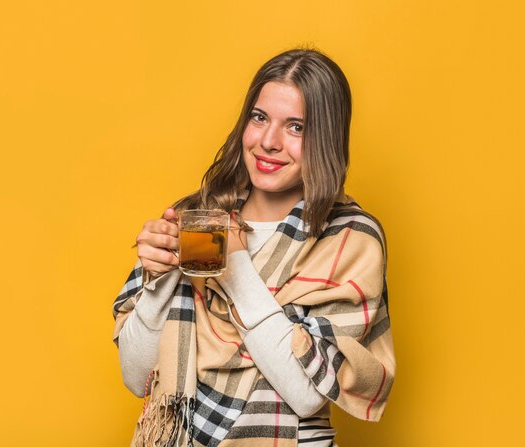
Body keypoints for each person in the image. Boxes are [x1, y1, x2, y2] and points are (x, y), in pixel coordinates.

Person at [112, 48, 395, 447]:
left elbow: (307, 394)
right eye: (259, 118)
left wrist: (236, 265)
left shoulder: (350, 238)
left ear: (326, 139)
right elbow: (135, 376)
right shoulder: (196, 218)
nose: (268, 141)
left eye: (296, 127)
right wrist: (158, 281)